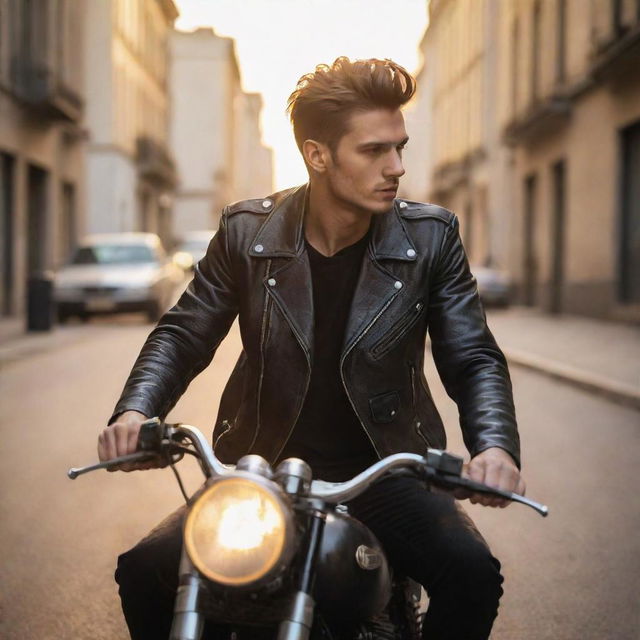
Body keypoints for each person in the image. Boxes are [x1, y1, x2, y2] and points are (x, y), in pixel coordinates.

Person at [98, 57, 525, 640]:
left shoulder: (431, 238)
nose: (396, 166)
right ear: (317, 155)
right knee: (147, 572)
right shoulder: (247, 233)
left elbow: (471, 355)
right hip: (259, 472)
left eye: (399, 147)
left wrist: (495, 446)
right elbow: (185, 331)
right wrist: (135, 411)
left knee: (472, 572)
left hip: (384, 474)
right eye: (375, 151)